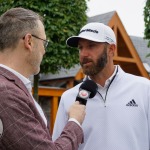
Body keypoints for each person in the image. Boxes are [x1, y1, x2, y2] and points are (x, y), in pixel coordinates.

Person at [52, 22, 150, 150]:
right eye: (80, 48)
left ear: (111, 50)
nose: (83, 54)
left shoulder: (144, 89)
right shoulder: (68, 98)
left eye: (91, 46)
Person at [0, 7, 86, 150]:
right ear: (29, 41)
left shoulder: (10, 86)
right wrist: (75, 121)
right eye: (44, 42)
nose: (44, 51)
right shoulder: (6, 92)